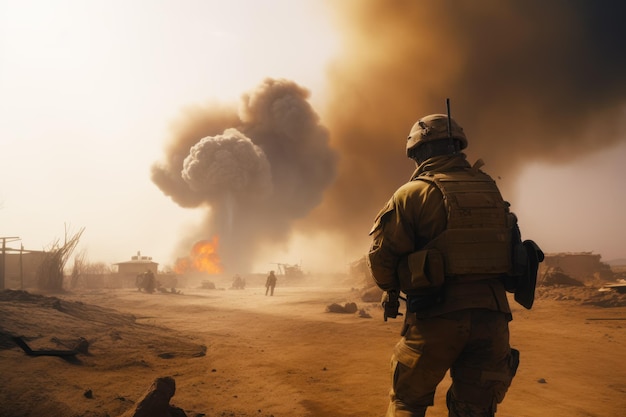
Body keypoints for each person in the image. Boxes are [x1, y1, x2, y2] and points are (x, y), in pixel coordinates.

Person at [367, 112, 542, 417]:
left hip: (436, 317)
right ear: (458, 147)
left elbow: (382, 260)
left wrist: (391, 287)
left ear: (419, 152)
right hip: (492, 319)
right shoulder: (490, 189)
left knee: (408, 401)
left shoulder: (412, 194)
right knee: (474, 410)